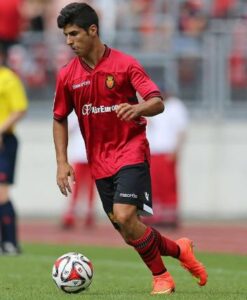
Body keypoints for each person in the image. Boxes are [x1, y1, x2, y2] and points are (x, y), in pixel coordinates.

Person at [52, 2, 207, 295]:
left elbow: (157, 101)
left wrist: (137, 109)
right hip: (98, 160)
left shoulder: (124, 64)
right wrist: (61, 161)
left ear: (93, 30)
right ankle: (180, 250)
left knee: (125, 216)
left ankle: (162, 277)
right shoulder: (67, 76)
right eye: (66, 36)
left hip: (130, 151)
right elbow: (59, 118)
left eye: (74, 34)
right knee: (128, 230)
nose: (69, 42)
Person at [0, 45, 29, 255]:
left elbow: (19, 109)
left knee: (2, 193)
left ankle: (10, 242)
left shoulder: (8, 78)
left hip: (4, 140)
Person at [145, 95, 189, 228]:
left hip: (167, 151)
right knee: (153, 185)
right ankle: (156, 216)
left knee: (168, 185)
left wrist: (176, 149)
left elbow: (181, 130)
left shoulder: (175, 106)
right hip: (153, 151)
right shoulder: (149, 105)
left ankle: (170, 217)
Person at [61, 111, 96, 228]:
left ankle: (89, 212)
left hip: (92, 155)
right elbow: (67, 129)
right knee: (76, 185)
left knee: (91, 185)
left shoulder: (95, 110)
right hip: (78, 154)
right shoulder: (74, 114)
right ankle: (71, 212)